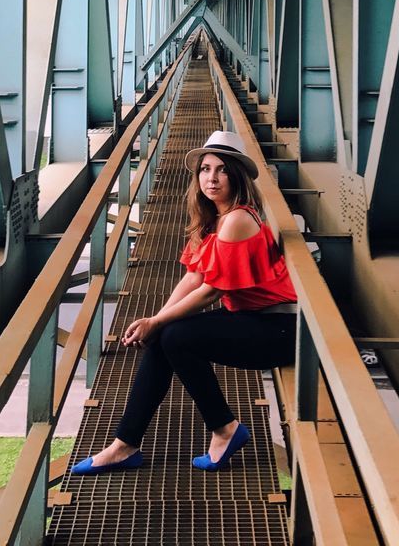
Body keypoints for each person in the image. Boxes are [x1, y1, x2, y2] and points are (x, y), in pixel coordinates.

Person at [71, 129, 298, 475]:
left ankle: (222, 429)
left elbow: (211, 291)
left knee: (173, 336)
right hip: (251, 319)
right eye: (206, 169)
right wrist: (155, 319)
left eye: (222, 169)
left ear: (236, 175)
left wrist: (158, 323)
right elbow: (193, 276)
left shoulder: (237, 219)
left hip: (279, 329)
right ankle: (125, 444)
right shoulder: (213, 219)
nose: (212, 178)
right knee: (165, 336)